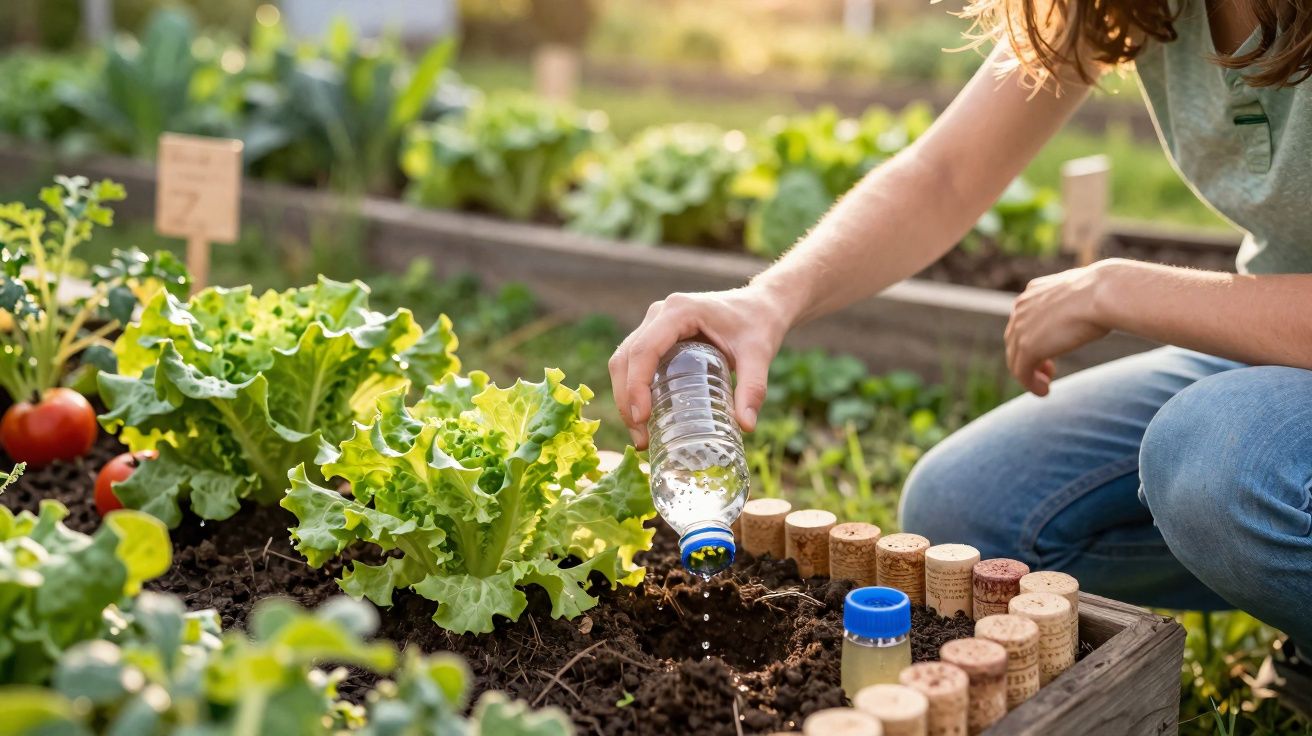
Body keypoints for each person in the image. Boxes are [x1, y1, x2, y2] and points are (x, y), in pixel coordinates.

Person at [607, 0, 1311, 712]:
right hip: (1270, 353)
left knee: (1221, 464)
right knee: (969, 510)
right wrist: (767, 299)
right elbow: (946, 173)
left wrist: (1117, 287)